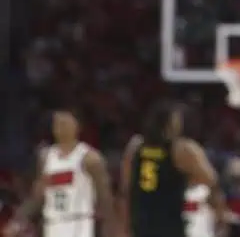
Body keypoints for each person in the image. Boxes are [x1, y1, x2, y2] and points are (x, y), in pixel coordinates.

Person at [4, 109, 118, 237]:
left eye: (65, 123)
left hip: (79, 223)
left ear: (77, 126)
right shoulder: (46, 157)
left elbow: (105, 198)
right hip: (52, 224)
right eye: (58, 123)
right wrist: (19, 219)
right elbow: (37, 196)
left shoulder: (90, 158)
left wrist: (111, 229)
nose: (61, 127)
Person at [121, 101, 225, 237]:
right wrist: (220, 214)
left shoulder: (135, 146)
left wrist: (125, 223)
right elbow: (211, 180)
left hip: (141, 221)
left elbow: (126, 188)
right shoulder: (181, 149)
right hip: (169, 223)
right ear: (172, 124)